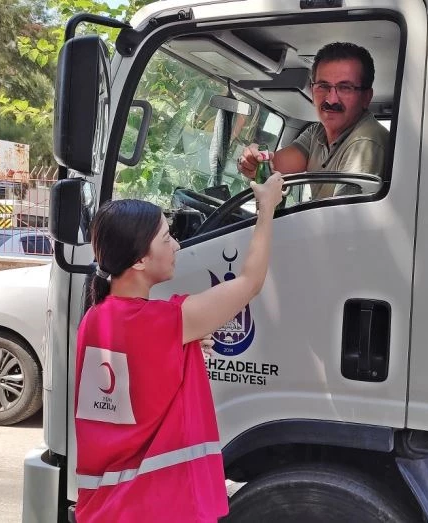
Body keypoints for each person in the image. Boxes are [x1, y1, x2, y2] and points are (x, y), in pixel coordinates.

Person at [72, 172, 284, 523]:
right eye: (167, 238)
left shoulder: (95, 319)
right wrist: (266, 209)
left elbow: (139, 381)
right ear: (139, 260)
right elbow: (249, 282)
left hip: (105, 507)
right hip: (151, 506)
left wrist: (181, 346)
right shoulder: (163, 322)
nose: (177, 246)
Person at [237, 42, 389, 199]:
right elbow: (271, 169)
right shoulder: (317, 132)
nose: (331, 99)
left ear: (366, 97)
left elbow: (343, 219)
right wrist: (253, 159)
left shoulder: (365, 143)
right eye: (323, 86)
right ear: (312, 90)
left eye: (345, 88)